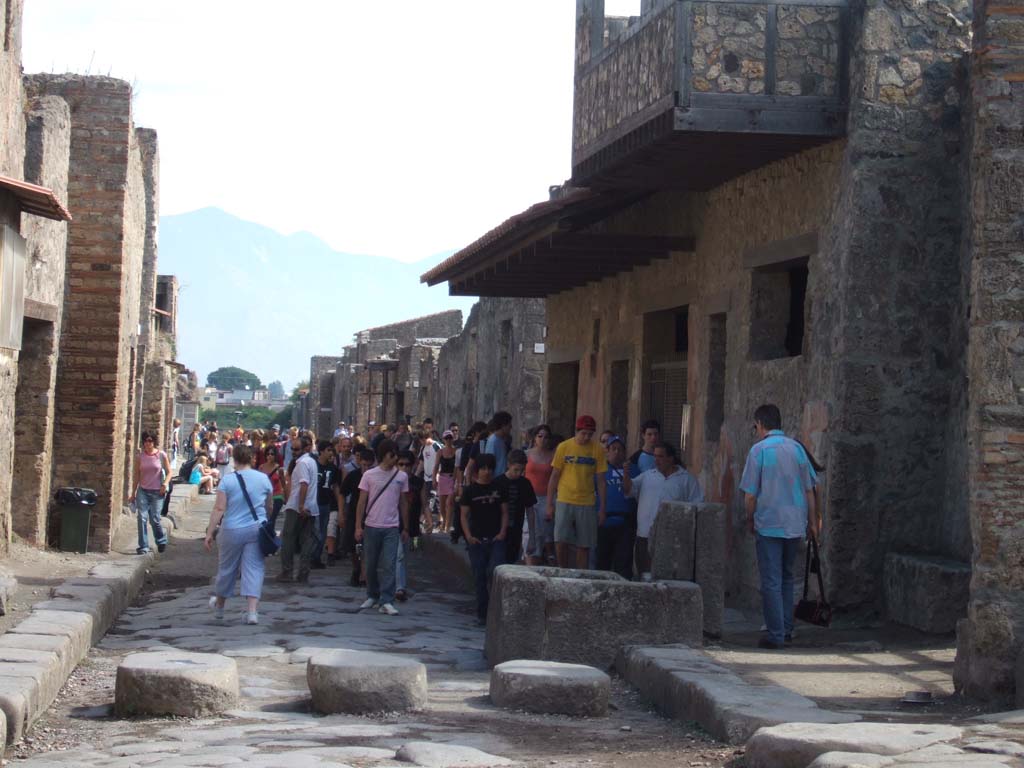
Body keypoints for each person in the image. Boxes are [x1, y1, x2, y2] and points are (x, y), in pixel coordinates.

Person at [740, 404, 819, 650]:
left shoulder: (759, 450)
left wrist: (750, 518)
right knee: (786, 578)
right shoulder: (797, 449)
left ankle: (775, 634)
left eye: (755, 427)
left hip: (770, 522)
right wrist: (814, 523)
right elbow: (810, 490)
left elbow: (750, 495)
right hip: (795, 522)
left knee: (771, 580)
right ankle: (786, 628)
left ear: (760, 424)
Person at [204, 445, 273, 625]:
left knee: (227, 569)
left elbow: (219, 508)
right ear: (252, 459)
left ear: (234, 459)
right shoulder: (263, 479)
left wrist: (210, 532)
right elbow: (270, 506)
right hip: (256, 528)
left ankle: (219, 608)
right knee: (254, 568)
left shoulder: (227, 480)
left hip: (232, 529)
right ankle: (252, 612)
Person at [623, 441, 703, 579]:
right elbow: (629, 490)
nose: (656, 460)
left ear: (670, 458)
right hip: (645, 535)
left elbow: (697, 506)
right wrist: (625, 474)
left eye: (660, 456)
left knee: (668, 578)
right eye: (655, 456)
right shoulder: (647, 476)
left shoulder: (686, 479)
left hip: (672, 538)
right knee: (645, 576)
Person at [355, 439, 410, 616]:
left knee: (389, 564)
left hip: (391, 527)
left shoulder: (401, 477)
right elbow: (362, 501)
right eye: (391, 454)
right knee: (370, 564)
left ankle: (387, 600)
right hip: (371, 525)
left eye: (396, 453)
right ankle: (372, 595)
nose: (394, 458)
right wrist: (358, 526)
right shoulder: (369, 475)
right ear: (383, 455)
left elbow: (403, 503)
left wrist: (406, 527)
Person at [547, 415, 607, 569]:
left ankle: (582, 573)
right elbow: (554, 476)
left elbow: (601, 480)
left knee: (584, 543)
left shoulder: (597, 450)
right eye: (583, 433)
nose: (586, 437)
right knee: (560, 539)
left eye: (590, 434)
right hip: (564, 498)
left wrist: (602, 508)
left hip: (587, 501)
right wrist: (549, 504)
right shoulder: (563, 447)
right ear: (577, 431)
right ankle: (562, 569)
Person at [460, 453, 508, 625]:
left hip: (496, 539)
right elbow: (464, 516)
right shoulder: (469, 491)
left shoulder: (499, 488)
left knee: (495, 573)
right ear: (477, 471)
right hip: (476, 540)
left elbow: (504, 512)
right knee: (479, 577)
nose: (486, 472)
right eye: (483, 468)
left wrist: (502, 533)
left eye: (489, 468)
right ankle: (482, 614)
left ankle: (496, 612)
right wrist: (469, 536)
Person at [278, 434, 319, 583]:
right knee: (306, 540)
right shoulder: (312, 462)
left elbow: (304, 484)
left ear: (305, 448)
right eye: (292, 449)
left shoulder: (302, 463)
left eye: (296, 449)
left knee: (288, 538)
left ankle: (287, 571)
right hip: (310, 506)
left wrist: (301, 505)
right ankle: (303, 573)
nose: (294, 452)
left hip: (298, 506)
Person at [596, 435, 635, 579]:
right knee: (602, 562)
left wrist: (626, 473)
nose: (617, 452)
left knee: (623, 563)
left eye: (620, 449)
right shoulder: (599, 470)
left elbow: (630, 491)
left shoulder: (633, 469)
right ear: (607, 451)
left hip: (625, 523)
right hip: (604, 521)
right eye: (613, 449)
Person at [129, 431, 171, 555]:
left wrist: (165, 484)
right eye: (146, 441)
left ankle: (161, 540)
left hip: (157, 492)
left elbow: (169, 472)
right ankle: (143, 546)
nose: (148, 443)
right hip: (143, 490)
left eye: (150, 441)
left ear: (154, 442)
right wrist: (133, 493)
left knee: (155, 519)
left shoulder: (161, 455)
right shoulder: (140, 457)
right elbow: (136, 475)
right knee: (141, 517)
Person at [495, 449, 536, 565]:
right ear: (509, 465)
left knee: (511, 562)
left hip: (516, 531)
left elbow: (530, 510)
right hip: (498, 530)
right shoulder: (498, 483)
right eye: (516, 470)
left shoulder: (525, 484)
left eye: (522, 470)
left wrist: (532, 537)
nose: (519, 473)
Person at [340, 446, 374, 587]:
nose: (365, 468)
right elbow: (342, 493)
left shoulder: (376, 477)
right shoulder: (353, 476)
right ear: (360, 462)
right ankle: (356, 568)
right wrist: (341, 513)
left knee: (367, 547)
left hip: (371, 515)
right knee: (352, 547)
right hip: (353, 514)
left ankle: (364, 575)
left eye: (368, 465)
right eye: (364, 465)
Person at [525, 425, 556, 566]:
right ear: (535, 438)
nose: (543, 439)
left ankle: (546, 558)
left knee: (546, 533)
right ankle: (530, 562)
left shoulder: (553, 456)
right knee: (530, 532)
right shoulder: (526, 454)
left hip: (547, 499)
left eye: (546, 436)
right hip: (529, 500)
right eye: (540, 436)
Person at [396, 450, 423, 601]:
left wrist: (428, 518)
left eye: (407, 465)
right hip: (393, 522)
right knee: (398, 555)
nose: (404, 468)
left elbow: (424, 503)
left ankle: (399, 584)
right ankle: (399, 588)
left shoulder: (418, 483)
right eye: (401, 464)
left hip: (409, 524)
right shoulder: (394, 480)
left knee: (403, 556)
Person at [311, 441, 343, 568]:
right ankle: (311, 556)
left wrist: (340, 508)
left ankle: (316, 557)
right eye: (329, 450)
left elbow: (336, 488)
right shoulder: (313, 466)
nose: (331, 453)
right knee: (314, 531)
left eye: (332, 451)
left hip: (325, 503)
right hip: (313, 503)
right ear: (322, 451)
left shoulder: (333, 469)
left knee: (323, 531)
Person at [433, 431, 458, 534]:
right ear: (443, 439)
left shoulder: (456, 451)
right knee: (442, 505)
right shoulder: (440, 452)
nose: (448, 440)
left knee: (450, 503)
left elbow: (457, 467)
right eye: (446, 438)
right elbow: (436, 466)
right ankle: (444, 522)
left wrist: (456, 480)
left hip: (452, 479)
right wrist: (434, 479)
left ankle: (447, 525)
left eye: (450, 438)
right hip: (443, 479)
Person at [260, 445, 286, 533]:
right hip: (265, 497)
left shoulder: (279, 469)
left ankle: (270, 537)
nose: (269, 456)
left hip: (277, 496)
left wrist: (286, 496)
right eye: (268, 454)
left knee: (272, 518)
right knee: (265, 518)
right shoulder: (261, 468)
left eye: (272, 454)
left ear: (275, 455)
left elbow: (283, 483)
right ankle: (269, 535)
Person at [485, 411, 513, 476]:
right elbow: (489, 464)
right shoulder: (493, 441)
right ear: (503, 425)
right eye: (509, 424)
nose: (511, 427)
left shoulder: (502, 440)